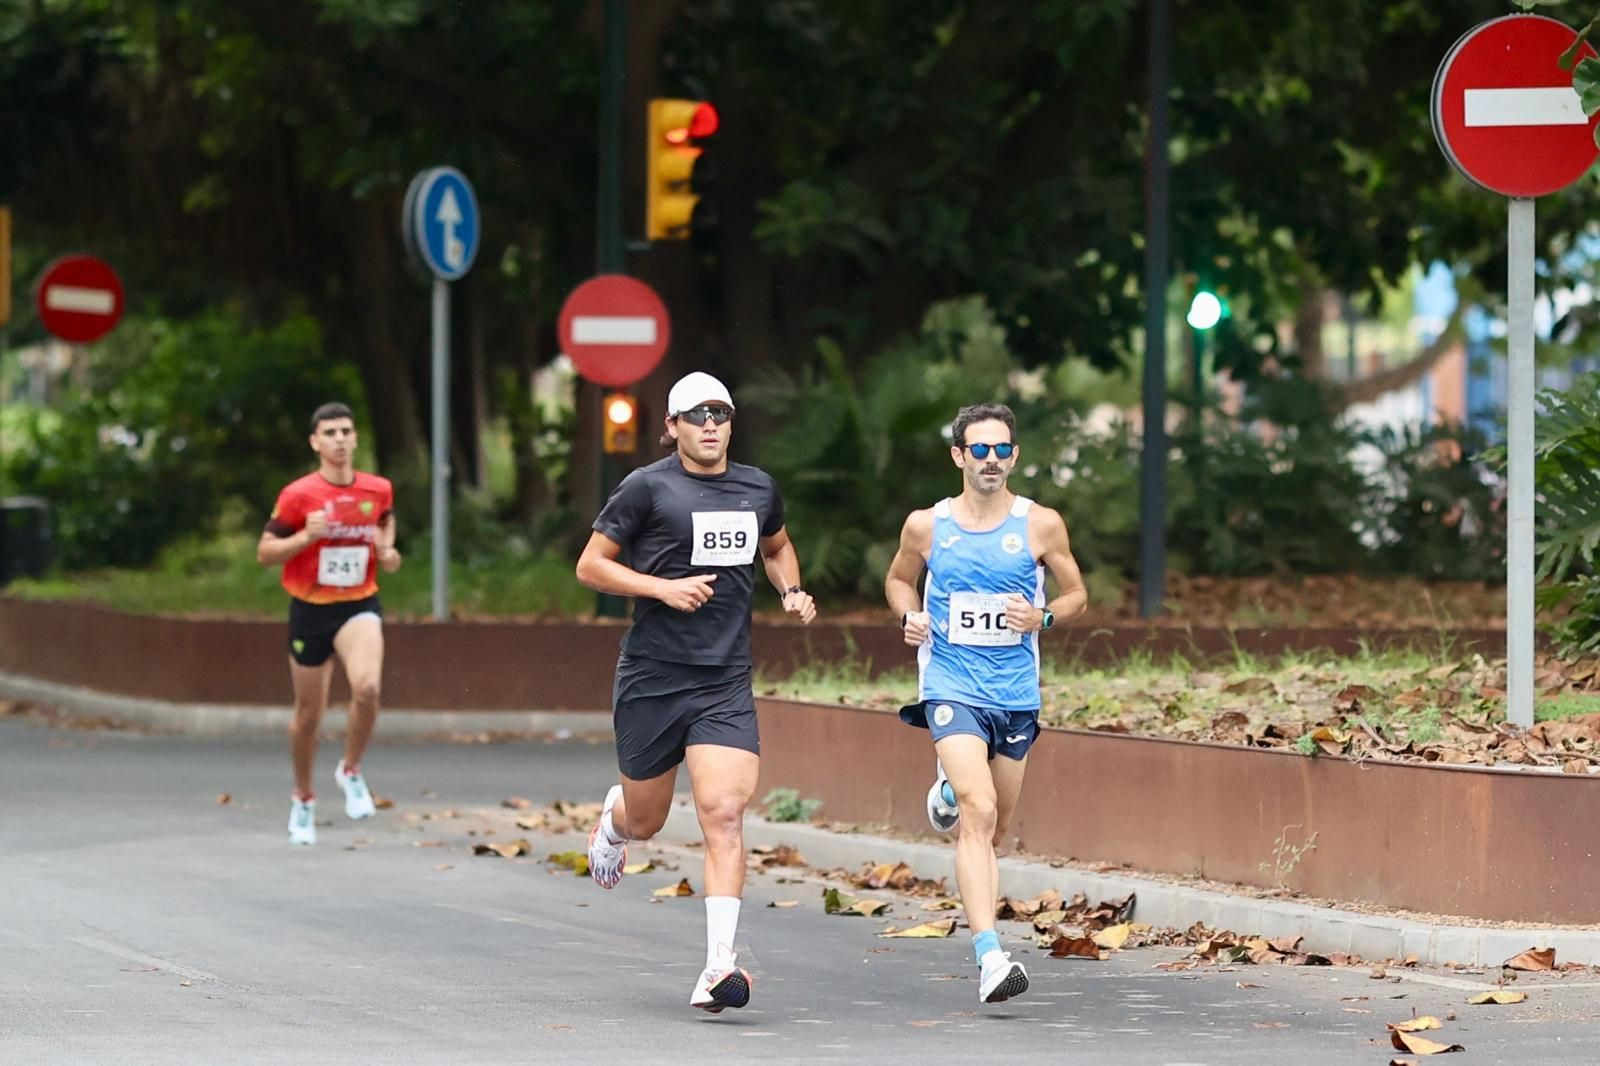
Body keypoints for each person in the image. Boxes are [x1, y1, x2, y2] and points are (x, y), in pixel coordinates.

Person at [575, 371, 818, 1013]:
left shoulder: (758, 487)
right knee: (649, 818)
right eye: (696, 414)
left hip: (724, 680)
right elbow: (590, 565)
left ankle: (718, 966)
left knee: (724, 813)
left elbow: (779, 546)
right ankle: (616, 819)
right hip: (653, 676)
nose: (711, 424)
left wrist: (789, 588)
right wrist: (661, 589)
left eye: (721, 413)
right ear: (673, 426)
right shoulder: (647, 487)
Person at [883, 402, 1087, 1005]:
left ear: (1015, 456)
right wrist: (910, 615)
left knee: (995, 825)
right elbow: (897, 579)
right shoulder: (928, 526)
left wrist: (1043, 615)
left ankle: (944, 791)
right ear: (959, 456)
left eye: (1001, 450)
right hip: (950, 685)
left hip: (1014, 693)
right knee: (979, 808)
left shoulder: (1040, 525)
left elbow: (1077, 594)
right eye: (980, 450)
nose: (991, 460)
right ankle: (991, 957)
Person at [256, 403, 401, 847]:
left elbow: (385, 521)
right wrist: (305, 538)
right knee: (308, 716)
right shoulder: (299, 495)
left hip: (358, 604)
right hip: (310, 610)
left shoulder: (377, 489)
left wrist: (387, 550)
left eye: (346, 431)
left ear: (355, 439)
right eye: (330, 433)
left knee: (368, 689)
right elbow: (264, 551)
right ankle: (303, 797)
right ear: (315, 443)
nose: (339, 439)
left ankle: (351, 769)